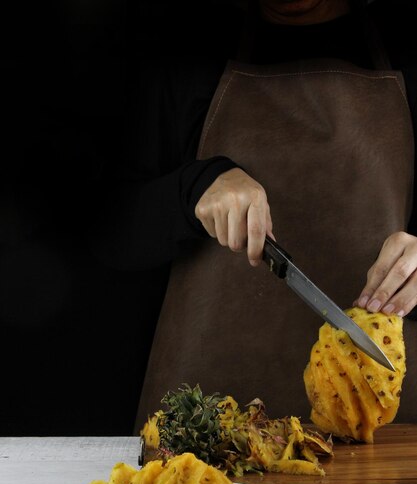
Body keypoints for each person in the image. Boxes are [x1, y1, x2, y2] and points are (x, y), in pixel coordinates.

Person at [132, 0, 417, 428]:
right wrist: (193, 186)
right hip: (205, 425)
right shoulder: (184, 53)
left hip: (376, 417)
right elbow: (106, 232)